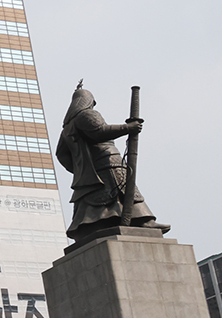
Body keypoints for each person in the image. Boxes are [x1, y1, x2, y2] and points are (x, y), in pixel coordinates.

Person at [56, 82, 169, 241]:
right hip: (108, 161)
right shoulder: (86, 115)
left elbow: (61, 154)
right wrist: (128, 128)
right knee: (123, 189)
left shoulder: (67, 129)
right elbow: (100, 131)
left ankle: (99, 225)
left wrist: (81, 167)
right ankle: (143, 221)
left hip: (94, 169)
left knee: (104, 195)